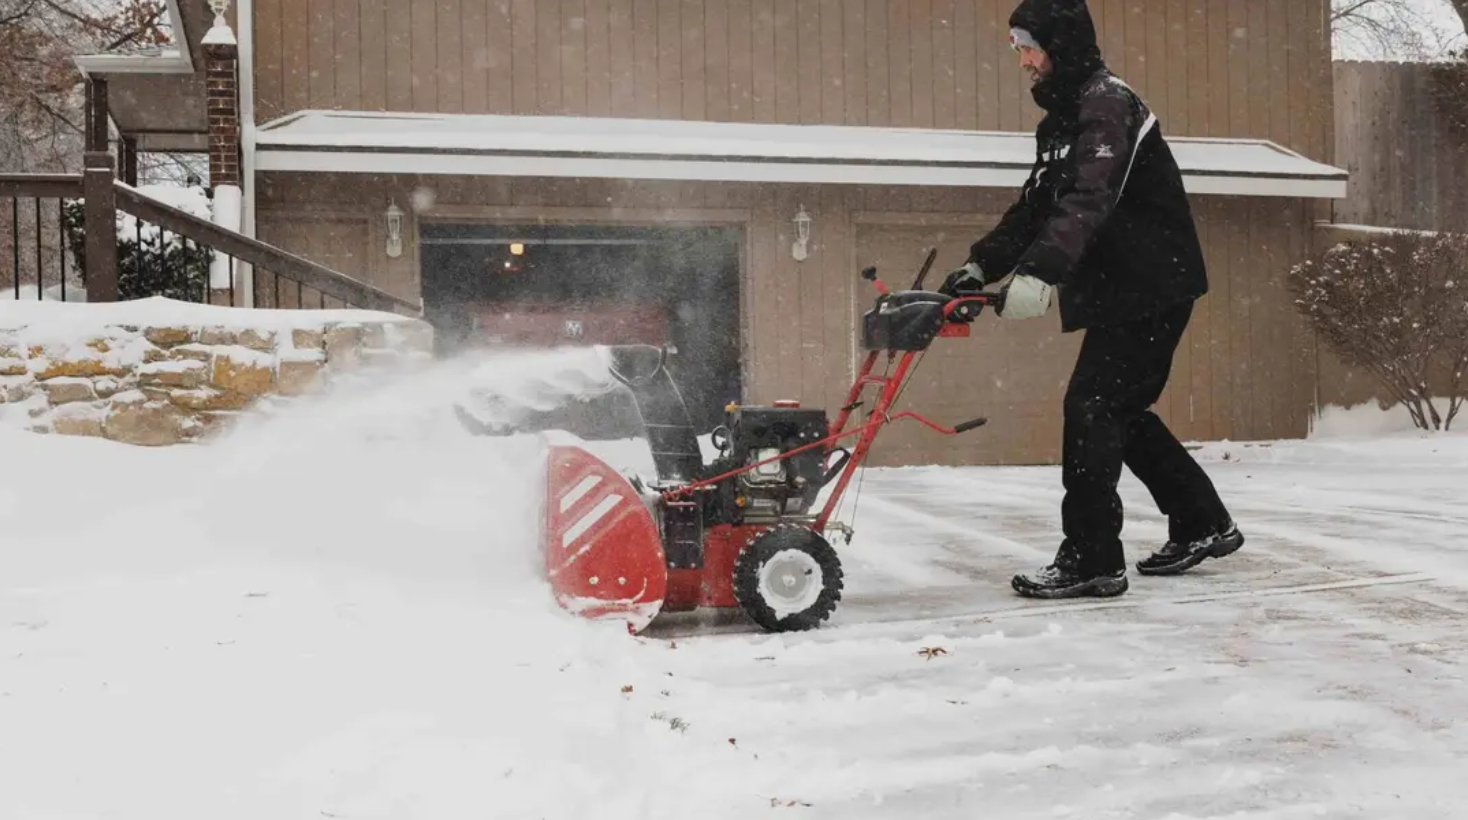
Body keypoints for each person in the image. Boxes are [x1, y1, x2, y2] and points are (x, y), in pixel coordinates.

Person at [938, 0, 1244, 599]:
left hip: (1152, 282)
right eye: (1017, 47)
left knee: (1093, 408)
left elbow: (1089, 196)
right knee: (1117, 410)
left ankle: (1092, 557)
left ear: (1063, 43)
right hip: (1124, 286)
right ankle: (1203, 521)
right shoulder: (1061, 120)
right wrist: (983, 263)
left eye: (1029, 45)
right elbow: (1037, 205)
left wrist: (1043, 273)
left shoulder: (1107, 104)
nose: (1023, 59)